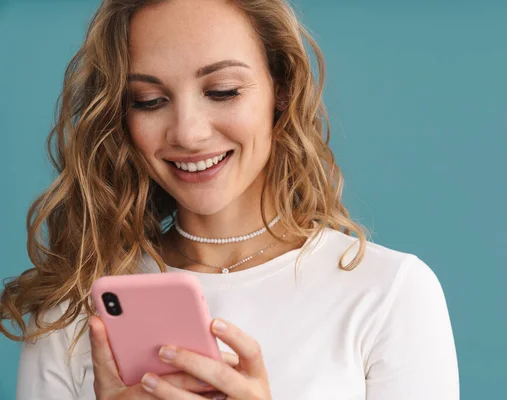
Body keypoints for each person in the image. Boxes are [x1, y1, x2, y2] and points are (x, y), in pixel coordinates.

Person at [0, 0, 460, 398]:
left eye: (222, 91)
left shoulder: (388, 293)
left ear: (281, 89)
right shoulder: (72, 307)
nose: (187, 132)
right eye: (149, 100)